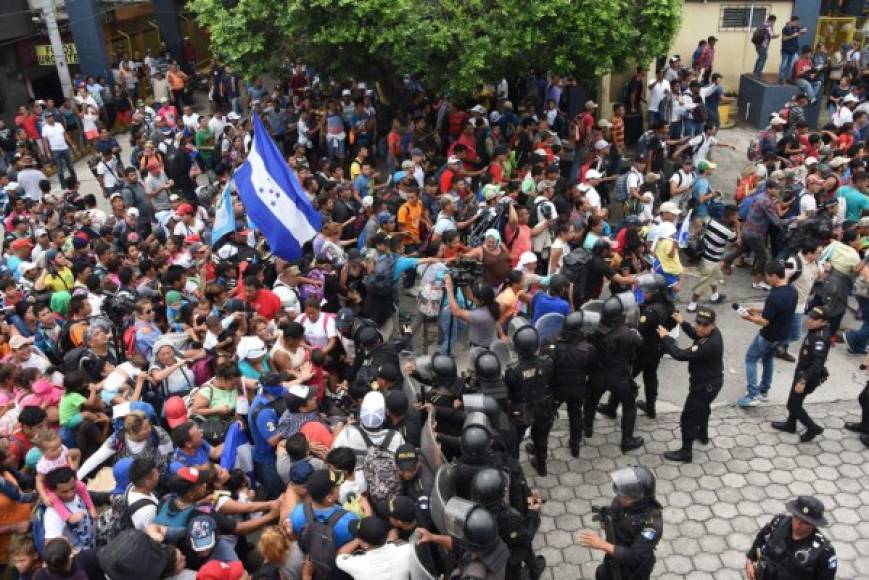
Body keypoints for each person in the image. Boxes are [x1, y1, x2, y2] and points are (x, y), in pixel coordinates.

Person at [657, 307, 724, 463]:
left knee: (688, 417)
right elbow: (696, 334)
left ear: (713, 325)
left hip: (704, 386)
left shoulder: (709, 345)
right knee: (703, 408)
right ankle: (703, 435)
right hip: (710, 383)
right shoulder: (711, 333)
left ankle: (686, 452)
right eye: (698, 323)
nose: (700, 327)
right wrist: (683, 323)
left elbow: (680, 354)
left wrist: (666, 338)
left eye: (704, 325)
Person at [578, 466, 662, 580]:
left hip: (634, 570)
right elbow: (612, 515)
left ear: (639, 499)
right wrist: (605, 522)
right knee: (602, 574)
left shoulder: (651, 526)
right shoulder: (621, 501)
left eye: (625, 497)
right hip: (614, 556)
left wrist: (602, 545)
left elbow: (634, 556)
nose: (620, 498)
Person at [584, 295, 644, 452]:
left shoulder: (594, 328)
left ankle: (587, 428)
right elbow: (640, 344)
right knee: (629, 406)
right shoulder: (628, 334)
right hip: (619, 377)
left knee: (591, 401)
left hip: (598, 373)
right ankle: (627, 440)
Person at [737, 261, 798, 407]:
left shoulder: (774, 296)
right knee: (768, 360)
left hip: (767, 337)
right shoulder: (792, 290)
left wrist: (749, 317)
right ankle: (764, 391)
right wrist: (756, 309)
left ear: (775, 276)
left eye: (768, 277)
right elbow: (778, 310)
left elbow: (764, 321)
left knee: (750, 358)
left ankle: (752, 395)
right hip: (782, 336)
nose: (766, 280)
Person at [771, 306, 832, 442]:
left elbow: (817, 364)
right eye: (810, 317)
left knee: (792, 404)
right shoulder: (815, 330)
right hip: (802, 372)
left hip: (807, 376)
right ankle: (791, 424)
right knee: (795, 401)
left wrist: (803, 380)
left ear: (824, 322)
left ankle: (813, 428)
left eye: (814, 319)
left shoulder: (820, 338)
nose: (809, 320)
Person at [542, 311, 597, 458]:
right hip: (577, 388)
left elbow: (545, 366)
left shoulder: (550, 342)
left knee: (547, 417)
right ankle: (575, 445)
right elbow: (592, 369)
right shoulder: (588, 349)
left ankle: (540, 446)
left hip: (556, 388)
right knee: (576, 415)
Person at [745, 496, 837, 579]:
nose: (797, 525)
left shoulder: (824, 552)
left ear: (814, 524)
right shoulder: (778, 523)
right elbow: (761, 539)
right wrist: (750, 561)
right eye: (796, 517)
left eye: (805, 522)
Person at [504, 326, 553, 475]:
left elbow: (510, 393)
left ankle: (515, 470)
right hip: (543, 406)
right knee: (541, 437)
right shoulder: (547, 362)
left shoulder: (512, 371)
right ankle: (542, 466)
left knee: (515, 440)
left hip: (520, 410)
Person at [334, 516, 413, 580]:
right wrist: (390, 541)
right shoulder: (407, 550)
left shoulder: (356, 564)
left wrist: (358, 540)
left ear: (365, 544)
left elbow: (340, 555)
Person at [779, 15, 808, 85]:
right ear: (793, 21)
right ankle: (781, 78)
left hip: (793, 50)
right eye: (797, 22)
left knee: (790, 65)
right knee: (784, 65)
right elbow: (784, 38)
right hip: (786, 49)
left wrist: (804, 31)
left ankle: (787, 78)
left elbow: (802, 33)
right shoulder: (786, 28)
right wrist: (793, 36)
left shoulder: (796, 28)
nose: (797, 23)